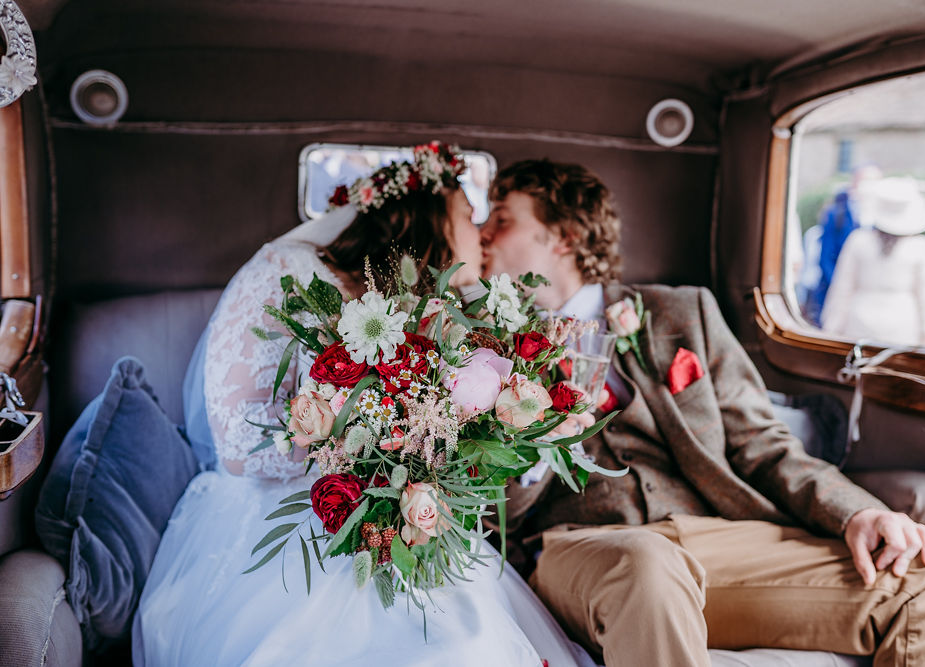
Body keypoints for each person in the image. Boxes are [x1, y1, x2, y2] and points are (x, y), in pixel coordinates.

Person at [479, 158, 925, 666]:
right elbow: (493, 509)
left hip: (720, 536)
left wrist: (858, 511)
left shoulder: (682, 312)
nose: (483, 232)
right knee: (647, 564)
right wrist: (540, 445)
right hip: (581, 547)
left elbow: (763, 443)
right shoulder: (484, 350)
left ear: (564, 237)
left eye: (501, 218)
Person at [134, 145, 594, 667]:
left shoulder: (434, 310)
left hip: (399, 510)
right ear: (430, 217)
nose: (483, 236)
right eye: (471, 215)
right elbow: (240, 447)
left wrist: (423, 455)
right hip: (288, 515)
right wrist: (354, 453)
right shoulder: (291, 273)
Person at [821, 177, 925, 346]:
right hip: (903, 323)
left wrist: (831, 327)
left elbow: (842, 288)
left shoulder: (858, 239)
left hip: (860, 321)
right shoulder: (922, 246)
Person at [803, 164, 882, 324]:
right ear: (854, 183)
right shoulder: (836, 213)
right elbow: (825, 256)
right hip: (836, 287)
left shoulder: (882, 216)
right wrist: (840, 288)